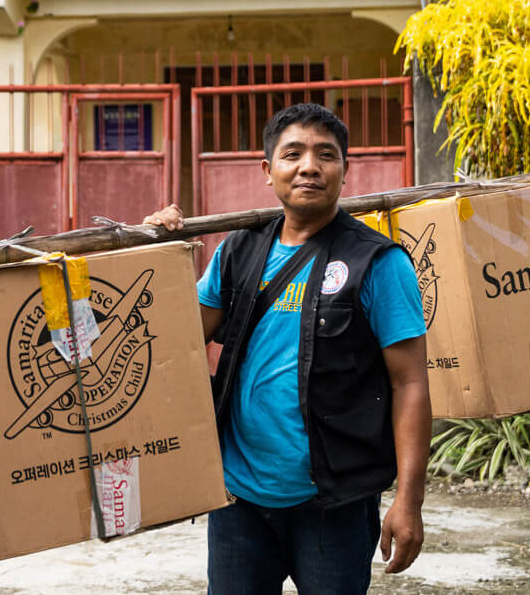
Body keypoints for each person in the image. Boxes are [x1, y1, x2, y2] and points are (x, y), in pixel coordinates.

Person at [144, 102, 429, 594]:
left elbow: (410, 382)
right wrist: (157, 255)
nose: (309, 167)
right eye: (292, 153)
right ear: (267, 170)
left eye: (326, 155)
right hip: (240, 502)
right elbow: (177, 339)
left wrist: (409, 501)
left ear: (344, 169)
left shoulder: (377, 264)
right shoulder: (239, 249)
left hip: (333, 504)